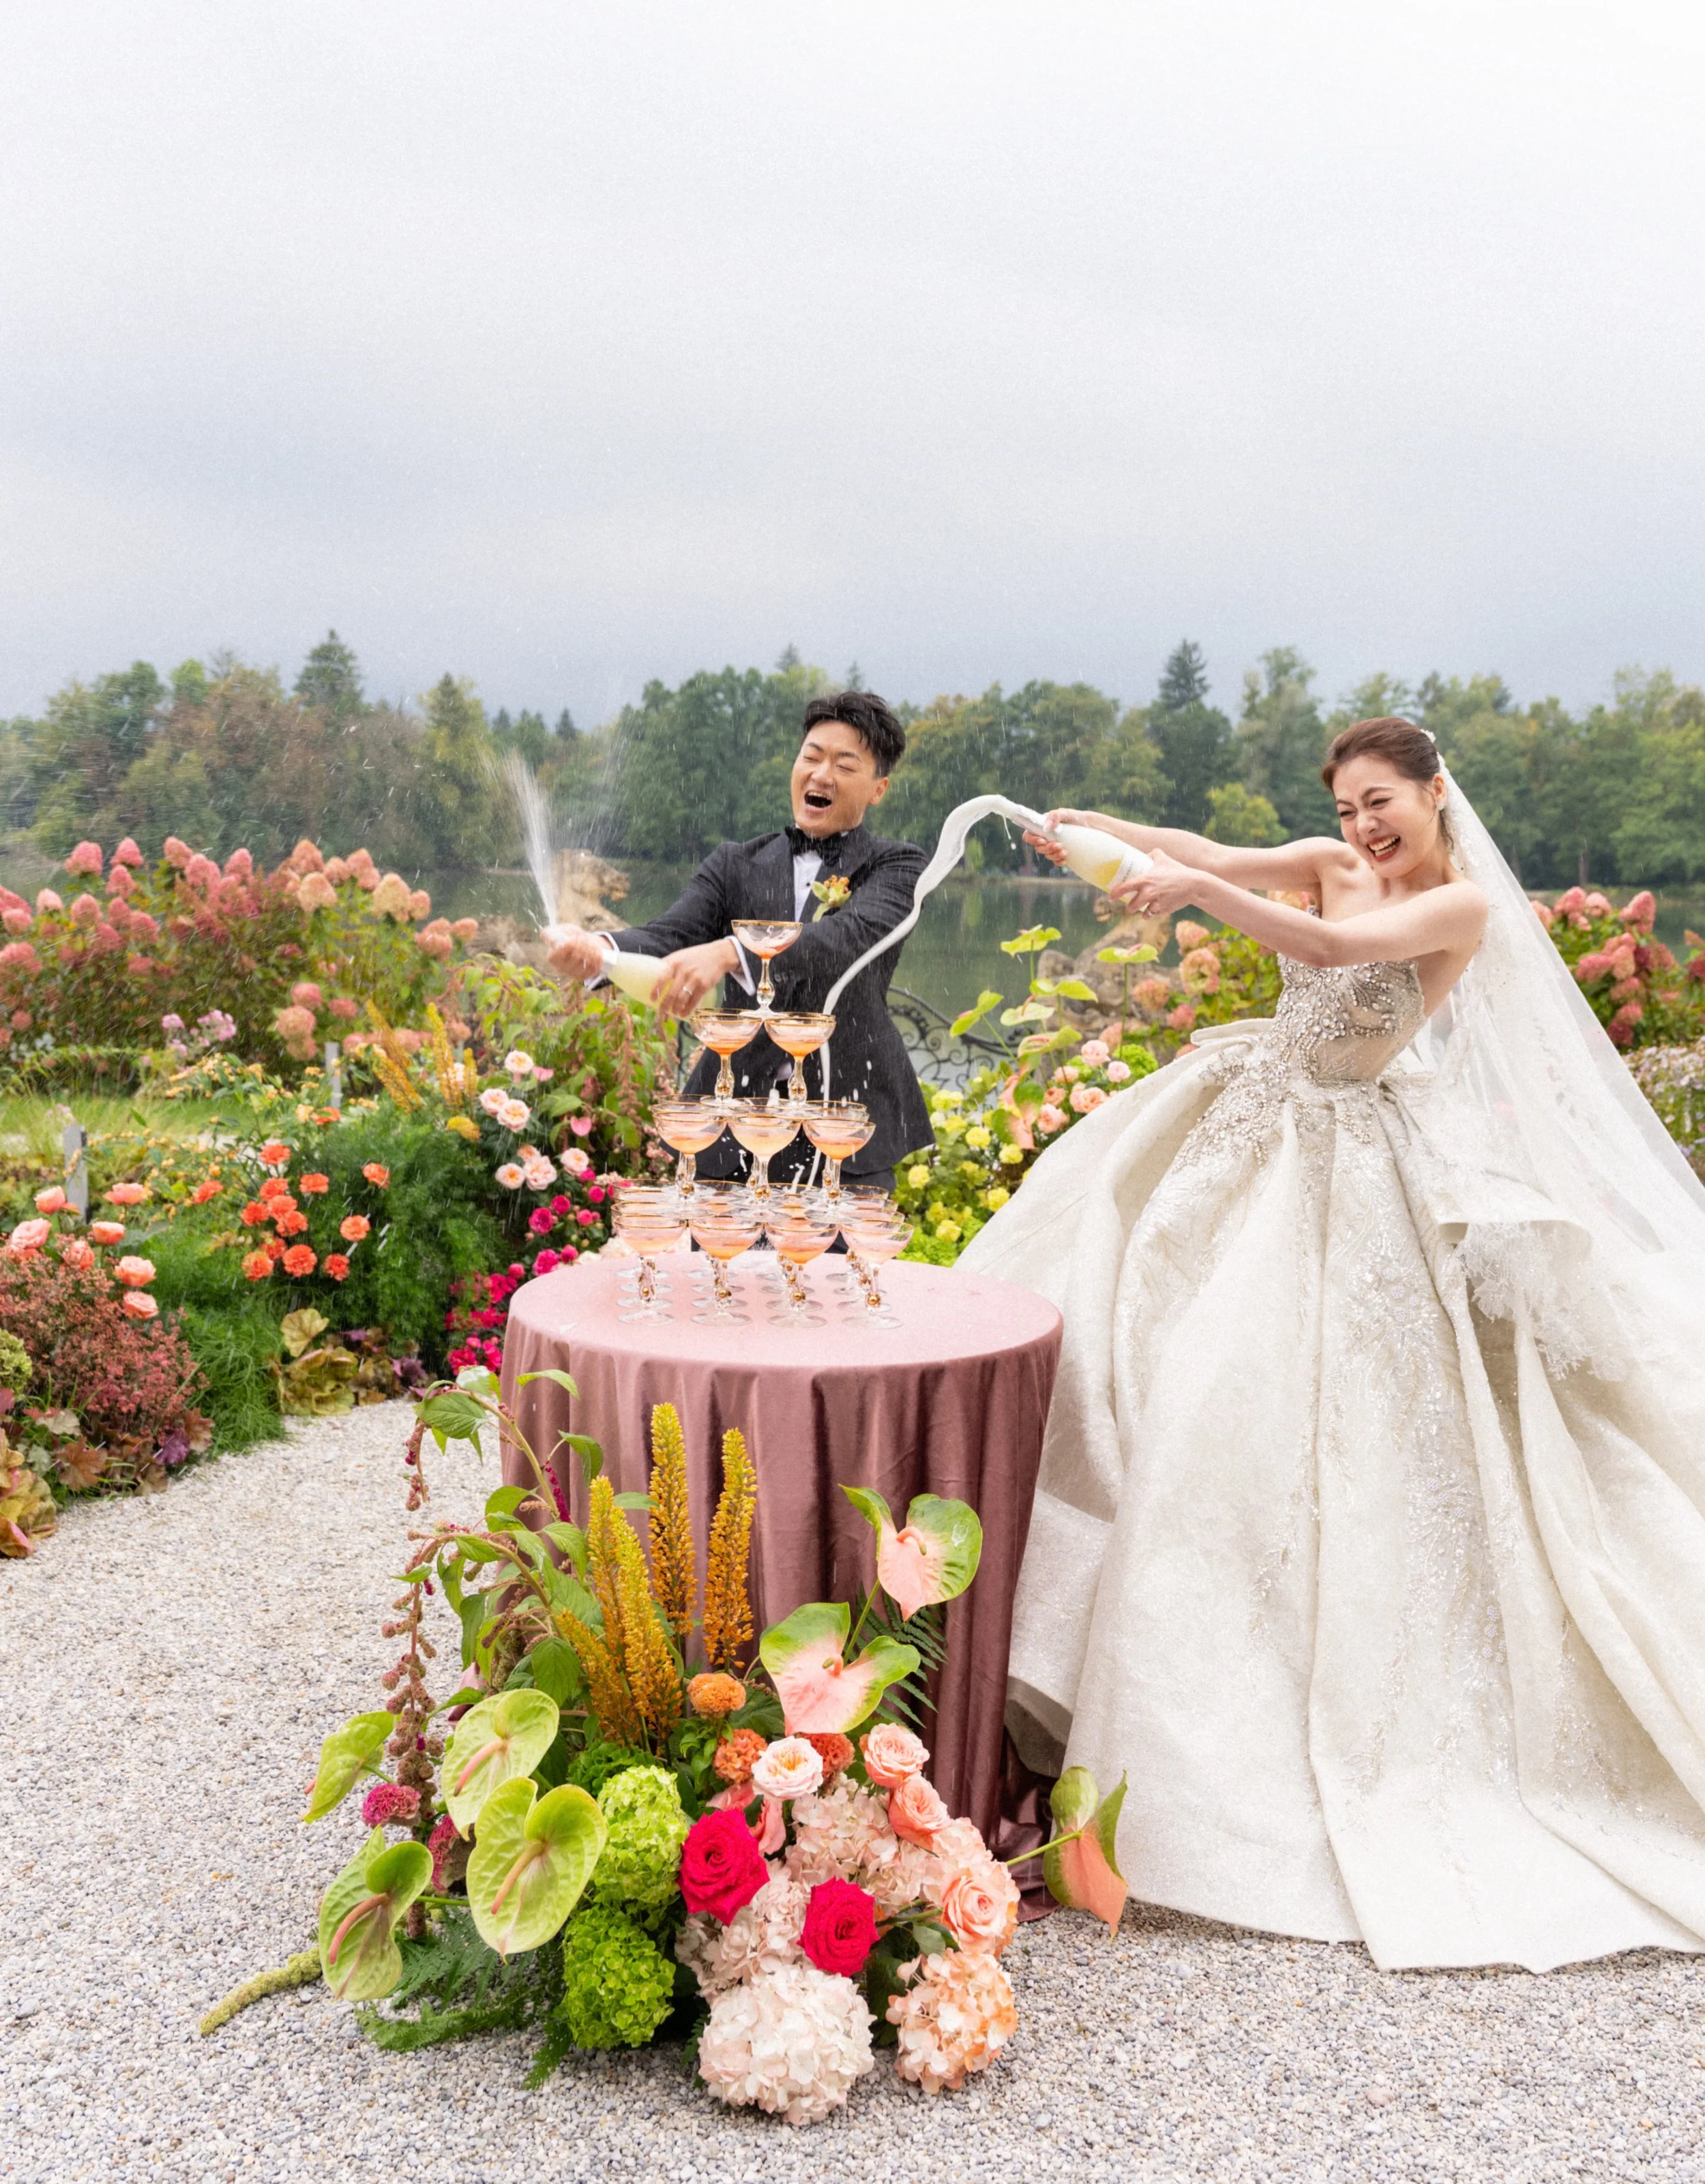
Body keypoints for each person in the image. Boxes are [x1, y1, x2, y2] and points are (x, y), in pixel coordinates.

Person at [962, 717, 1705, 1972]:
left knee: (1318, 1401)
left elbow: (1328, 948)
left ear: (1433, 793)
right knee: (1129, 1329)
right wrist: (1103, 837)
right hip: (1257, 1110)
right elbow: (1218, 852)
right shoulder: (1325, 850)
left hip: (1360, 1146)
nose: (1364, 827)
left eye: (1383, 803)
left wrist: (1196, 893)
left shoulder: (1457, 908)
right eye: (1350, 806)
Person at [546, 690, 931, 1187]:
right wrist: (601, 951)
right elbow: (672, 934)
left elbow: (844, 938)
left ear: (879, 788)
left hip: (845, 1128)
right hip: (726, 1127)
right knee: (717, 1265)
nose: (820, 775)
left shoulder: (897, 866)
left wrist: (733, 950)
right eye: (811, 757)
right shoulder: (735, 863)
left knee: (837, 1269)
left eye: (844, 765)